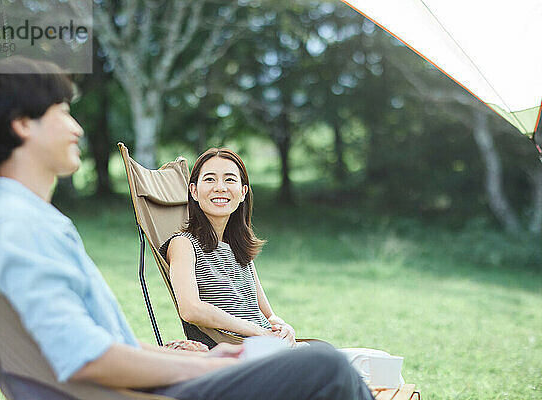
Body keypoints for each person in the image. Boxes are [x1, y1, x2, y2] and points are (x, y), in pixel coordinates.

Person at [0, 57, 374, 400]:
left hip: (154, 381)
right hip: (139, 393)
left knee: (323, 364)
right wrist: (193, 367)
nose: (78, 129)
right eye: (63, 113)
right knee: (327, 366)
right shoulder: (13, 227)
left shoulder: (37, 222)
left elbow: (105, 342)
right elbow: (88, 356)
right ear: (21, 123)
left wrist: (206, 360)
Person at [160, 147, 404, 383]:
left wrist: (282, 326)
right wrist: (256, 332)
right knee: (354, 370)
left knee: (382, 365)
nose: (220, 188)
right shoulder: (183, 244)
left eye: (230, 179)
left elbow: (267, 314)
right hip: (245, 358)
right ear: (193, 190)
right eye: (210, 179)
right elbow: (190, 309)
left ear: (243, 192)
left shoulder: (239, 249)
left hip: (274, 350)